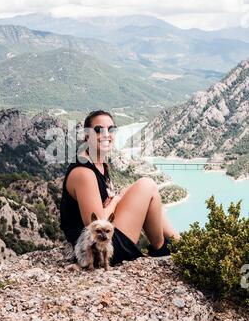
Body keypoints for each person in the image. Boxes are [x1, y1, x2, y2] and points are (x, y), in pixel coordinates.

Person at [60, 110, 181, 266]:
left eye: (111, 129)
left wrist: (118, 199)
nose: (106, 134)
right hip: (97, 247)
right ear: (86, 135)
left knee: (145, 193)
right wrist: (116, 201)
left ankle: (180, 244)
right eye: (98, 130)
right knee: (147, 185)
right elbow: (98, 224)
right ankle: (161, 250)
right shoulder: (84, 172)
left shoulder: (100, 162)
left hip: (103, 239)